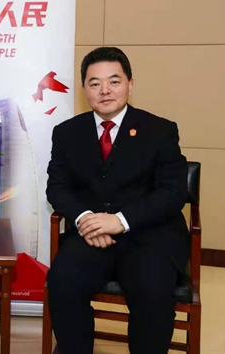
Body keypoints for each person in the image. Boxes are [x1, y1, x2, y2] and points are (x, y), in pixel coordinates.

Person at [45, 46, 189, 354]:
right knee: (62, 281)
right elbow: (57, 187)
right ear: (84, 89)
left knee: (153, 292)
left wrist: (120, 221)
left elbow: (173, 191)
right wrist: (85, 219)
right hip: (92, 236)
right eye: (95, 83)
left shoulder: (160, 130)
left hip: (148, 237)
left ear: (130, 84)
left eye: (114, 81)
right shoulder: (67, 133)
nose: (105, 90)